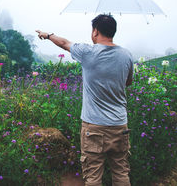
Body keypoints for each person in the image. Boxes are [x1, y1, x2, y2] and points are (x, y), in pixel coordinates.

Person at [36, 14, 133, 186]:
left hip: (94, 126)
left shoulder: (87, 52)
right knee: (121, 172)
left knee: (93, 176)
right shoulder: (126, 55)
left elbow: (64, 43)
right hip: (120, 125)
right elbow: (128, 82)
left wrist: (47, 35)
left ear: (95, 31)